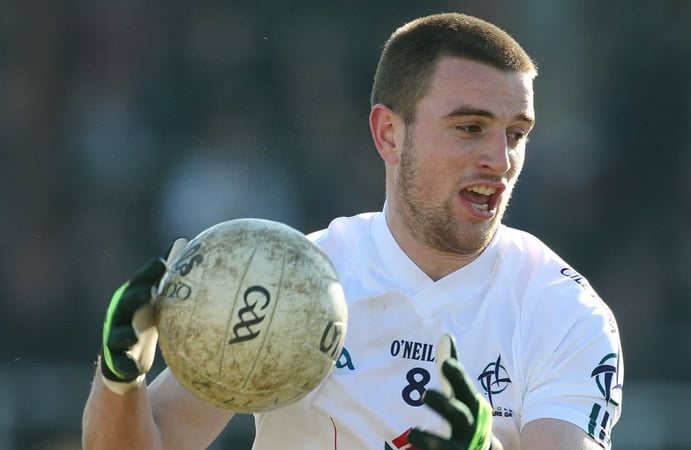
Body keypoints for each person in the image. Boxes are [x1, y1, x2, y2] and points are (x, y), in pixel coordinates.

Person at [82, 12, 623, 450]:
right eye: (470, 128)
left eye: (517, 133)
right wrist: (119, 377)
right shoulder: (294, 284)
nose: (500, 159)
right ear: (389, 133)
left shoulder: (562, 310)